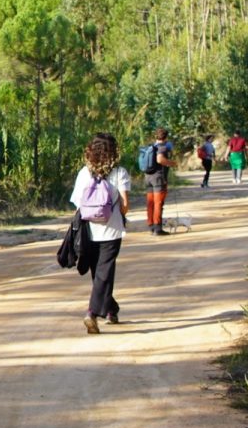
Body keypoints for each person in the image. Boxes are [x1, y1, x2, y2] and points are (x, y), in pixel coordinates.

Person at [70, 133, 131, 333]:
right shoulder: (119, 173)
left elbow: (78, 205)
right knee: (104, 273)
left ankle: (111, 309)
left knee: (99, 273)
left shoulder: (83, 173)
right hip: (111, 230)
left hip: (88, 231)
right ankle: (92, 313)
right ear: (113, 151)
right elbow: (125, 206)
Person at [142, 128, 175, 236]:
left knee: (150, 203)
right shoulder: (163, 147)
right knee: (158, 203)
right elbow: (160, 159)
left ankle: (151, 226)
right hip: (158, 178)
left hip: (148, 177)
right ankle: (158, 228)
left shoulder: (151, 147)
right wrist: (171, 163)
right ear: (166, 137)